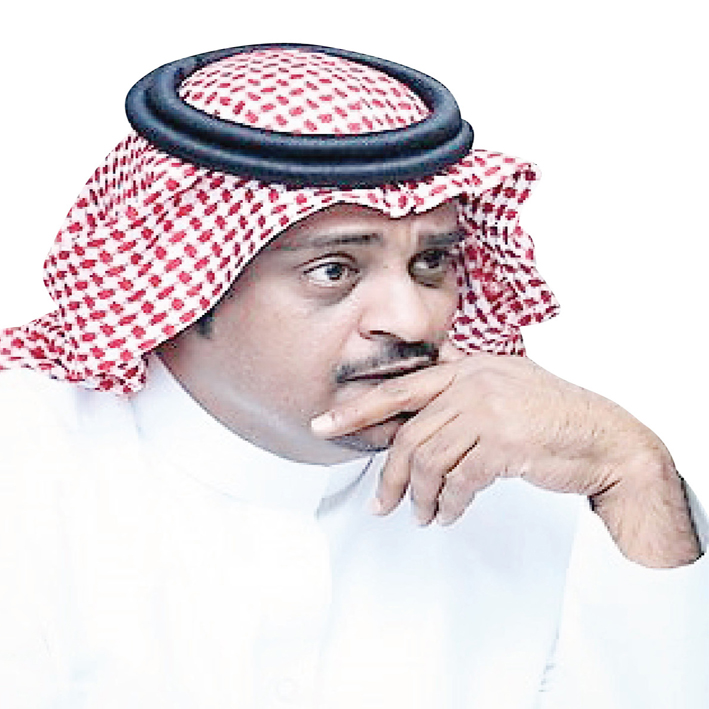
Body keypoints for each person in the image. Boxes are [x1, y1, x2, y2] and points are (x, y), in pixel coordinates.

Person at [0, 43, 707, 708]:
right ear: (181, 285)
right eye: (333, 271)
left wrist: (634, 471)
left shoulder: (536, 476)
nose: (411, 319)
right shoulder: (24, 474)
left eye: (431, 262)